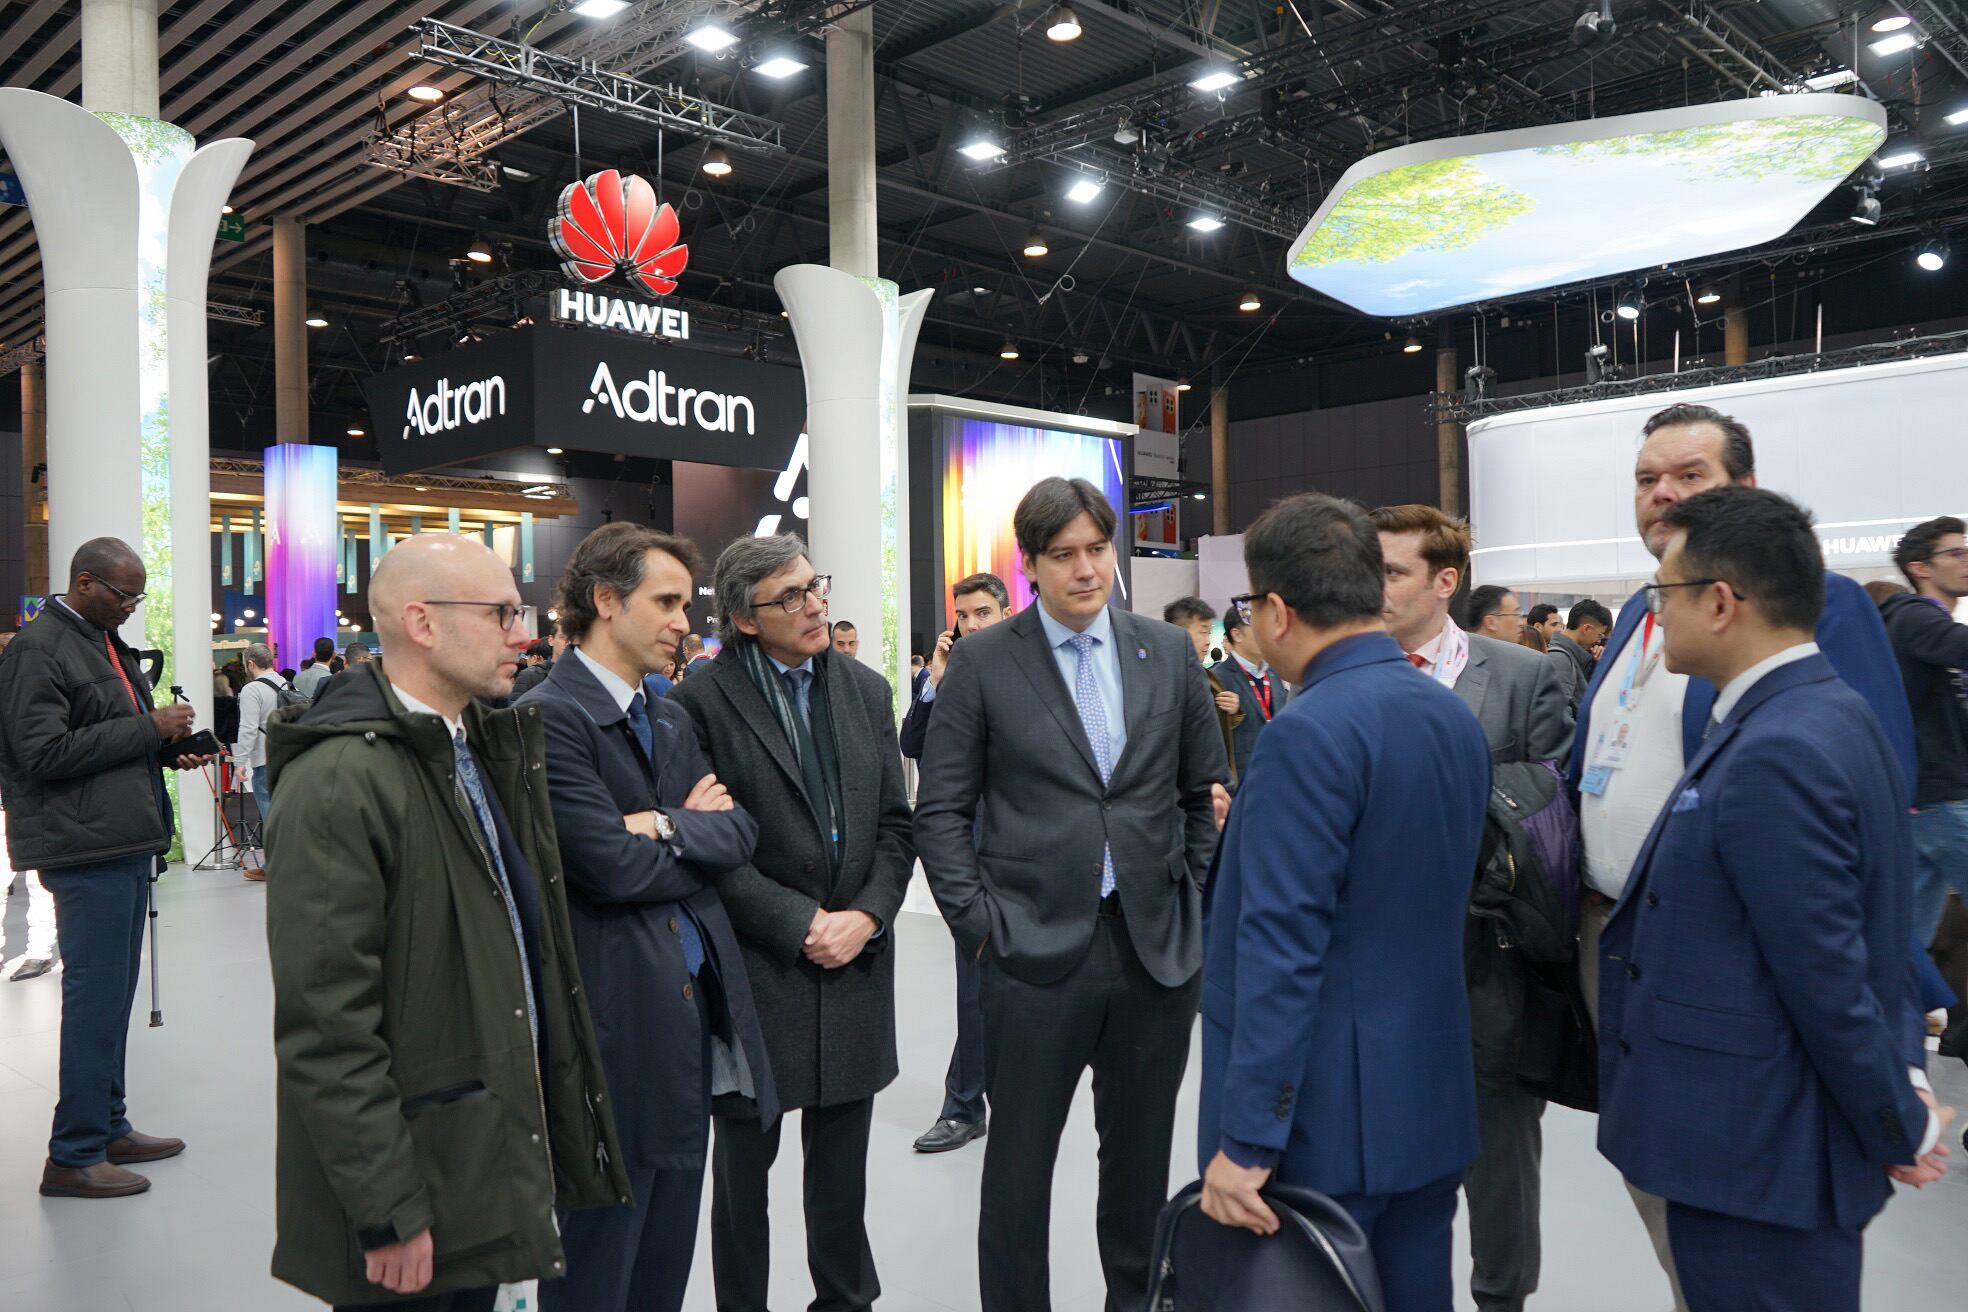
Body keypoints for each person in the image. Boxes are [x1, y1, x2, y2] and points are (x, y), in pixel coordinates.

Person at [1570, 401, 1924, 1312]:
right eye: (1647, 479)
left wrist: (1896, 1081)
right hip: (1636, 955)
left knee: (1739, 1246)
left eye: (1687, 477)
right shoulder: (1635, 623)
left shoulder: (1799, 679)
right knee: (1682, 1224)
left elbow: (1834, 888)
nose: (1662, 495)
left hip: (1739, 1005)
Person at [264, 533, 630, 1311]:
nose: (521, 634)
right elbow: (328, 1026)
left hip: (478, 1159)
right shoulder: (340, 781)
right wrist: (387, 1205)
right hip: (417, 1184)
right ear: (422, 623)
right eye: (500, 613)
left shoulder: (475, 748)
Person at [916, 477, 1226, 1312]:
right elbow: (939, 809)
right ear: (1031, 564)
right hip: (1028, 953)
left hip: (1153, 951)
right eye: (1065, 555)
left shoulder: (1165, 652)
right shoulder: (983, 660)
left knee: (1137, 1174)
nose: (1086, 569)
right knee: (1017, 1177)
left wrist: (1190, 892)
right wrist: (978, 926)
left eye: (1098, 549)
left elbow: (1202, 792)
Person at [1197, 493, 1491, 1312]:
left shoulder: (1306, 732)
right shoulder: (1450, 717)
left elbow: (1283, 950)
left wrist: (1249, 1138)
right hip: (1429, 1101)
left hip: (1320, 1127)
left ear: (1278, 612)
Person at [518, 524, 778, 1312]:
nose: (682, 621)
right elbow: (605, 864)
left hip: (690, 1017)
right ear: (605, 601)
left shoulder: (667, 715)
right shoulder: (547, 717)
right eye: (665, 602)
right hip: (609, 1017)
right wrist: (678, 827)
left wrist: (657, 821)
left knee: (667, 1247)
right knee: (602, 1252)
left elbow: (738, 832)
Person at [670, 534, 914, 1312]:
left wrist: (867, 916)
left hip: (856, 966)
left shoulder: (866, 692)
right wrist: (800, 920)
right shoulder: (698, 704)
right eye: (791, 597)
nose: (815, 606)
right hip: (757, 969)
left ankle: (846, 1301)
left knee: (842, 1180)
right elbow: (707, 847)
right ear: (745, 618)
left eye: (816, 588)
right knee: (744, 1182)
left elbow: (896, 828)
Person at [1368, 502, 1573, 1312]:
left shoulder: (1522, 676)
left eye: (1391, 571)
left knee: (1501, 1158)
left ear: (1444, 581)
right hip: (1383, 961)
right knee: (1392, 1153)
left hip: (1494, 957)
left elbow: (1549, 810)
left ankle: (1502, 1298)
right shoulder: (1341, 671)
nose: (1372, 587)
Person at [0, 537, 214, 1199]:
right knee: (94, 1001)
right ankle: (73, 1154)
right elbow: (42, 752)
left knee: (112, 999)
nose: (130, 606)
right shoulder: (39, 650)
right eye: (122, 595)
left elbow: (102, 740)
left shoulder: (98, 641)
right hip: (83, 848)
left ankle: (107, 1126)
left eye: (136, 596)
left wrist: (164, 749)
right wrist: (151, 729)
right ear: (85, 581)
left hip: (116, 841)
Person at [901, 571, 1013, 1154]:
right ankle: (965, 1106)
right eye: (963, 615)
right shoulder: (948, 675)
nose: (971, 624)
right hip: (970, 857)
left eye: (982, 613)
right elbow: (912, 745)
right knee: (975, 982)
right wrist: (935, 681)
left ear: (1006, 611)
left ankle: (990, 1099)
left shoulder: (1027, 671)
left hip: (1030, 852)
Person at [1882, 516, 1968, 946]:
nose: (1966, 560)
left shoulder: (1926, 627)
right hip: (1944, 801)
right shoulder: (1914, 618)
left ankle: (1892, 1010)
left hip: (1929, 802)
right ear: (1920, 568)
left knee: (1906, 938)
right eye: (1956, 553)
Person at [0, 627, 59, 984]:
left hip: (34, 797)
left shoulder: (41, 689)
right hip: (10, 795)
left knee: (40, 882)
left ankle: (39, 951)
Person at [1164, 597, 1245, 787]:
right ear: (1176, 632)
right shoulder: (1161, 677)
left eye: (1209, 633)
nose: (1208, 641)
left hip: (1212, 780)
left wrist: (1234, 710)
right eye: (1202, 632)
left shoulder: (1208, 676)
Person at [1214, 604, 1290, 788]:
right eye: (1257, 628)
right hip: (1242, 783)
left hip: (1280, 777)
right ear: (1237, 635)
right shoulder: (1219, 678)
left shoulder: (1275, 672)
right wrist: (1231, 715)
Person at [234, 642, 290, 883]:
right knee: (286, 812)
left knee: (270, 812)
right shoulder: (285, 684)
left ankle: (273, 866)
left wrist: (239, 762)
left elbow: (247, 728)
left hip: (264, 758)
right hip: (288, 755)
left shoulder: (252, 690)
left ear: (250, 663)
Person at [1548, 599, 1613, 712]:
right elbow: (1559, 711)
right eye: (1599, 635)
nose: (1598, 641)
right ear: (1586, 629)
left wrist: (1596, 665)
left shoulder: (1575, 655)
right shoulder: (1560, 658)